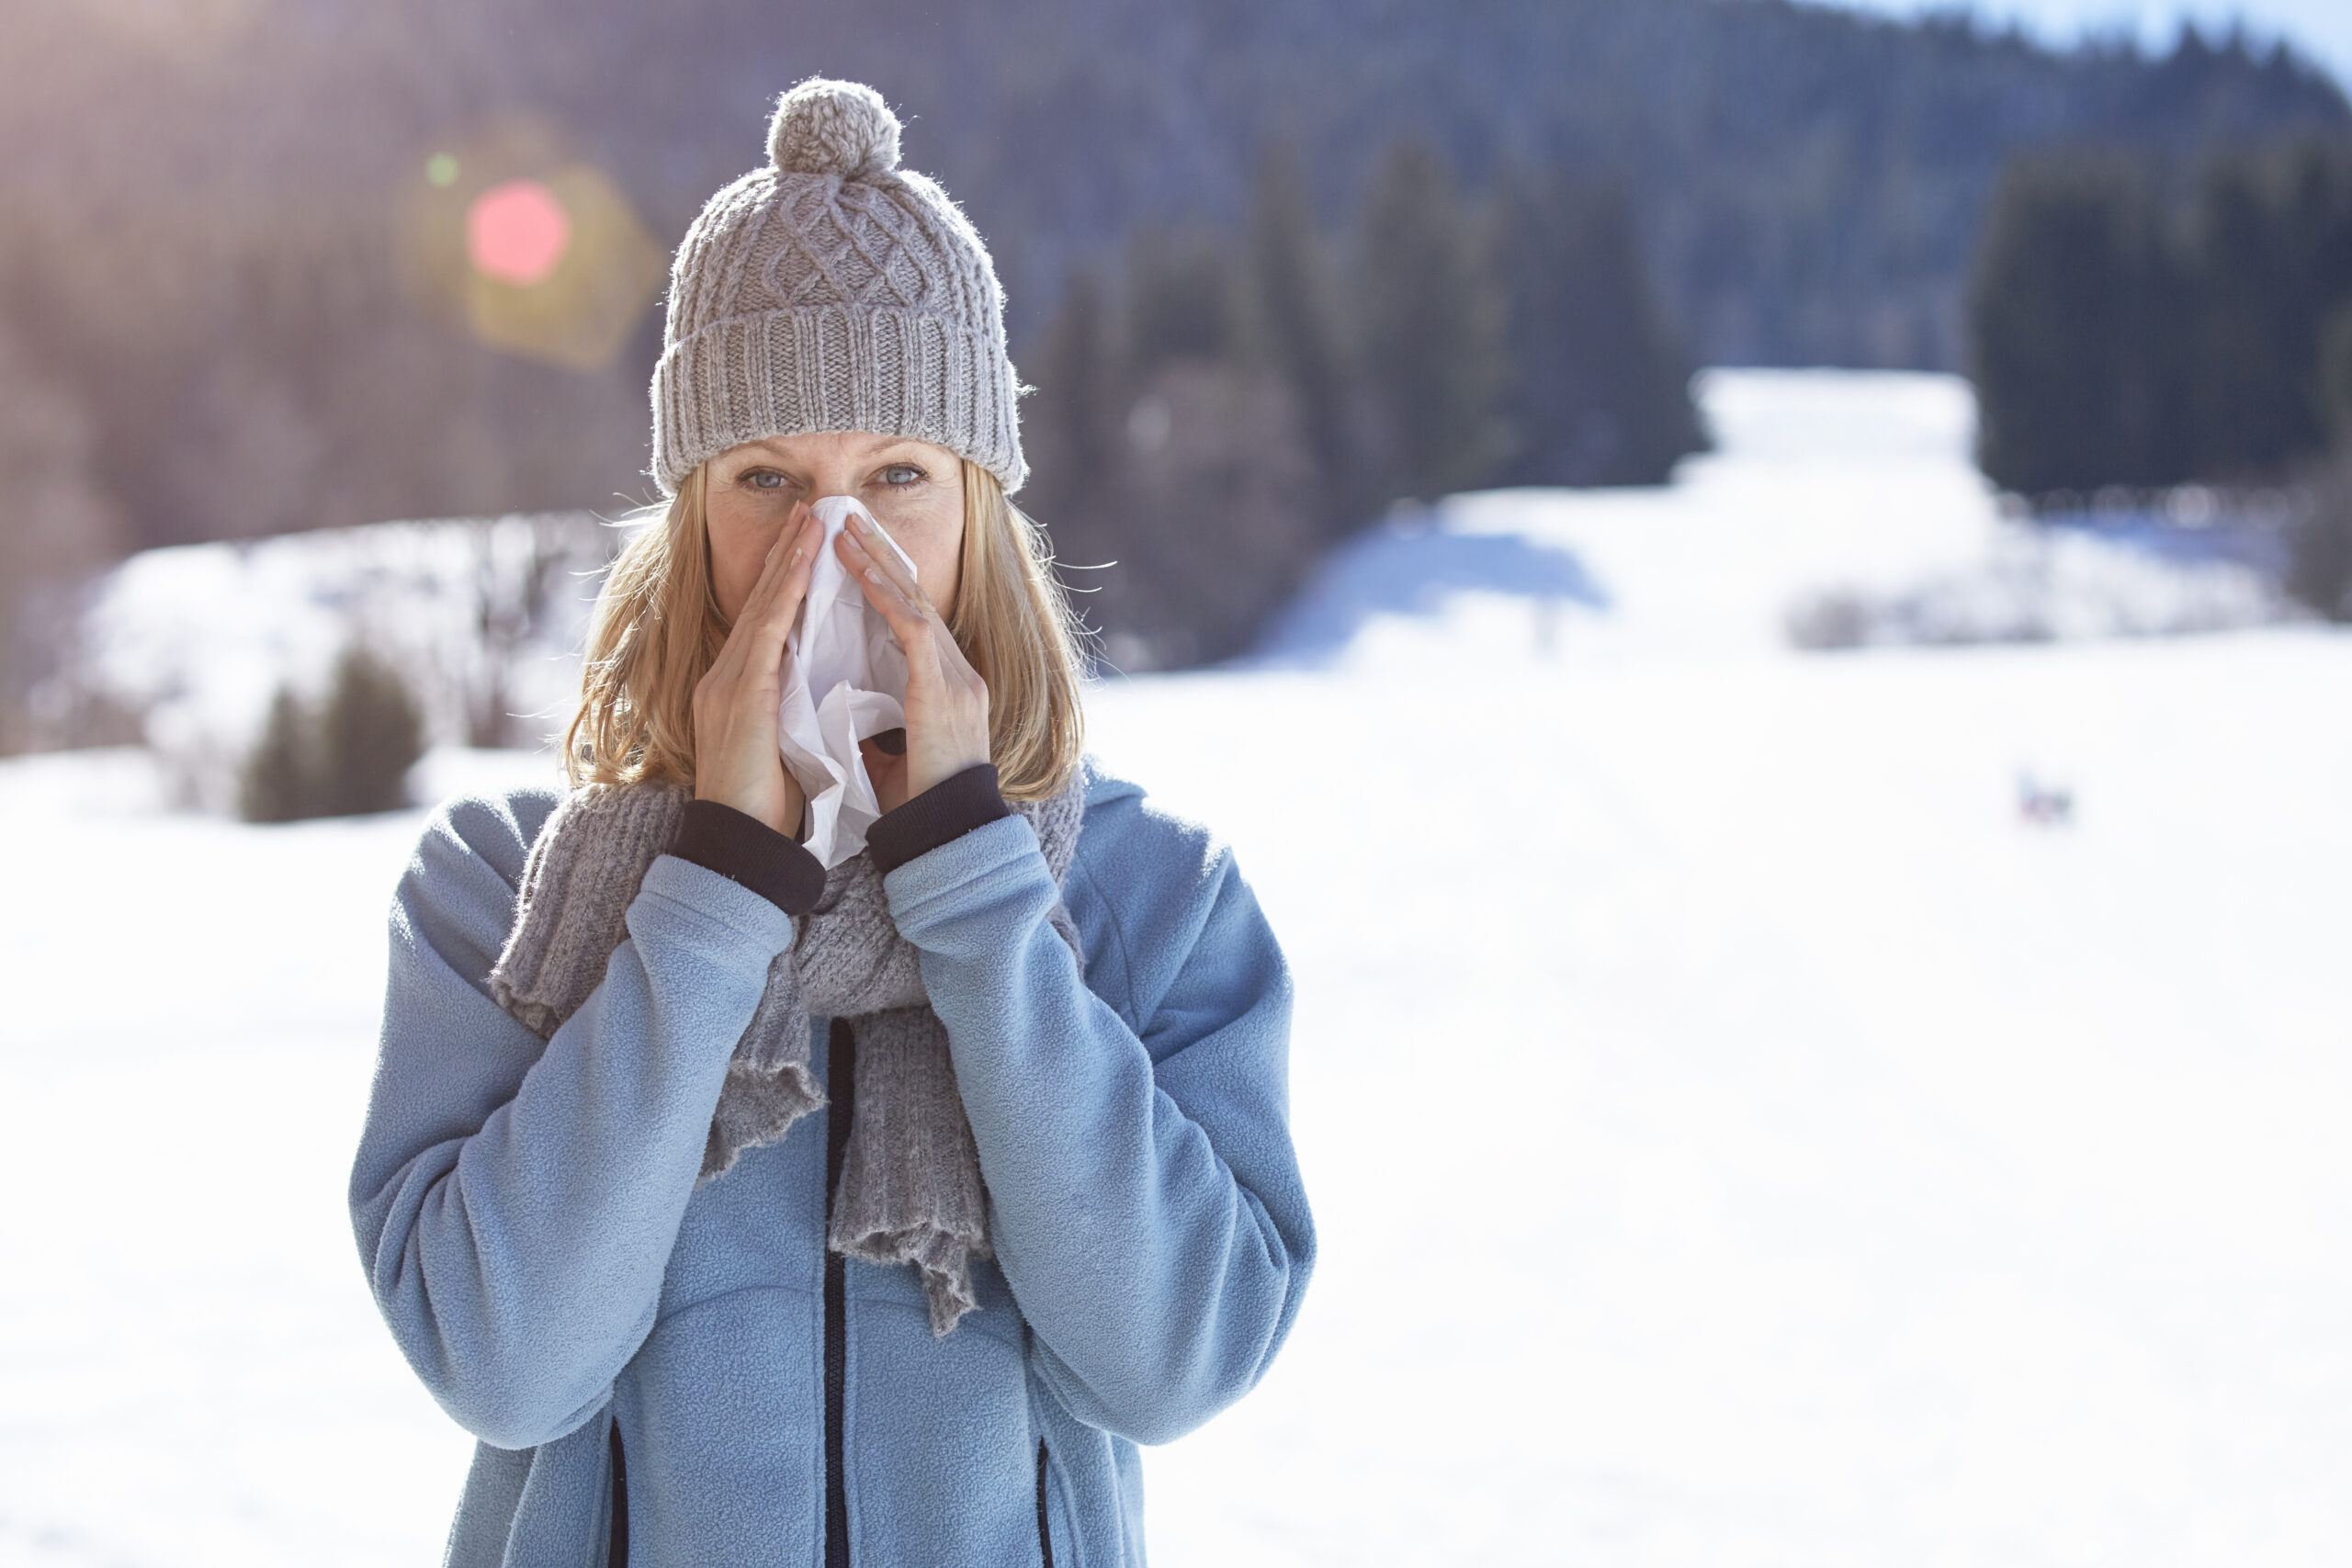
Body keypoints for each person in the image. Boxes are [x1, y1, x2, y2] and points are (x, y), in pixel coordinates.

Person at [349, 78, 1314, 1567]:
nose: (834, 543)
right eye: (768, 480)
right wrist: (714, 889)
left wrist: (982, 900)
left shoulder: (1152, 899)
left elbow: (1174, 1363)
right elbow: (507, 1361)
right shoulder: (502, 899)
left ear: (982, 504)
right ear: (689, 514)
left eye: (898, 478)